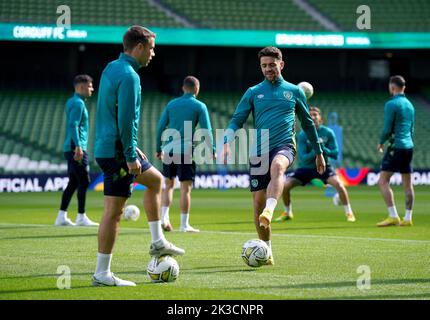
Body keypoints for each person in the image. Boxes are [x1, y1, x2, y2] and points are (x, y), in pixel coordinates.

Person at [93, 25, 185, 287]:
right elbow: (125, 118)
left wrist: (133, 148)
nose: (153, 54)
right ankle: (102, 273)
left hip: (109, 146)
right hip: (118, 152)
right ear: (140, 47)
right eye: (152, 48)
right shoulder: (130, 76)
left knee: (156, 181)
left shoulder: (112, 67)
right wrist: (131, 154)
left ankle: (157, 241)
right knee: (114, 211)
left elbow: (113, 112)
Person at [221, 47, 325, 265]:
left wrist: (319, 152)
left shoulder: (294, 92)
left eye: (271, 64)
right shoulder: (253, 92)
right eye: (264, 65)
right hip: (259, 150)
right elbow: (237, 119)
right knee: (257, 203)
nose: (268, 69)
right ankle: (266, 251)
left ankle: (271, 209)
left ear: (281, 64)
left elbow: (307, 123)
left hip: (284, 145)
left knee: (278, 167)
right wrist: (226, 142)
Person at [274, 106, 356, 223]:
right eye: (310, 115)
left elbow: (335, 153)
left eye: (315, 115)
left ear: (320, 119)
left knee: (339, 185)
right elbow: (304, 158)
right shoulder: (303, 134)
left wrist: (323, 149)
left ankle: (349, 213)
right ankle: (287, 212)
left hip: (324, 167)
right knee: (285, 186)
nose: (312, 116)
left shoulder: (328, 133)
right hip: (306, 169)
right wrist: (316, 150)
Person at [156, 76, 215, 233]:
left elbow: (160, 127)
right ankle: (184, 225)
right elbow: (206, 130)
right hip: (186, 151)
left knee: (168, 185)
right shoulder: (199, 106)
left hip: (168, 149)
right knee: (185, 188)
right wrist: (212, 149)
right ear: (197, 89)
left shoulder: (171, 104)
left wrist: (158, 148)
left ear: (183, 88)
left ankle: (164, 219)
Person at [55, 74, 99, 227]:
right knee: (84, 180)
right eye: (90, 86)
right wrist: (79, 147)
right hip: (76, 147)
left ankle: (61, 216)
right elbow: (73, 125)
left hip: (72, 146)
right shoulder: (78, 103)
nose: (92, 89)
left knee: (74, 182)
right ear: (81, 87)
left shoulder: (72, 101)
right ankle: (81, 217)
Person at [376, 75, 415, 227]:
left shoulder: (391, 104)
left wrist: (380, 142)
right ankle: (408, 218)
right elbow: (412, 128)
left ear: (392, 87)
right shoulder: (410, 105)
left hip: (396, 146)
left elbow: (387, 128)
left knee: (383, 181)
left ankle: (393, 216)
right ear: (403, 87)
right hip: (408, 147)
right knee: (408, 184)